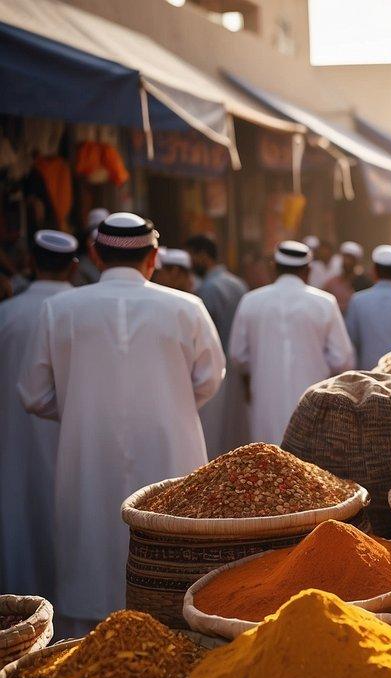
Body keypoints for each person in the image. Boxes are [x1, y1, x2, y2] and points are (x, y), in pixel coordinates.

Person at [19, 214, 224, 634]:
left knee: (88, 563)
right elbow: (209, 379)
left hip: (88, 456)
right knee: (170, 565)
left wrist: (86, 409)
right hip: (171, 457)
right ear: (153, 258)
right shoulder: (187, 307)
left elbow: (33, 394)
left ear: (95, 255)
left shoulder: (59, 310)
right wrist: (170, 403)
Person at [0, 231, 76, 600]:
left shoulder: (6, 314)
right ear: (75, 267)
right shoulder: (80, 310)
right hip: (70, 436)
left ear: (31, 263)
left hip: (12, 435)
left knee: (20, 517)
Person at [229, 241, 355, 445]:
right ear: (308, 270)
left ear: (274, 268)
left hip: (264, 399)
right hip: (313, 402)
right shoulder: (325, 303)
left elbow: (238, 355)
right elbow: (342, 359)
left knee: (267, 463)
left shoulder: (250, 301)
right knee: (307, 469)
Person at [187, 234, 249, 458]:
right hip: (236, 368)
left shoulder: (208, 289)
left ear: (203, 256)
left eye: (192, 256)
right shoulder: (238, 283)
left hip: (215, 366)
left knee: (213, 434)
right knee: (235, 430)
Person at [323, 241, 370, 313]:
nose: (347, 262)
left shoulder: (364, 283)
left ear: (357, 261)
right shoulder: (332, 282)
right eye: (345, 257)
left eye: (350, 258)